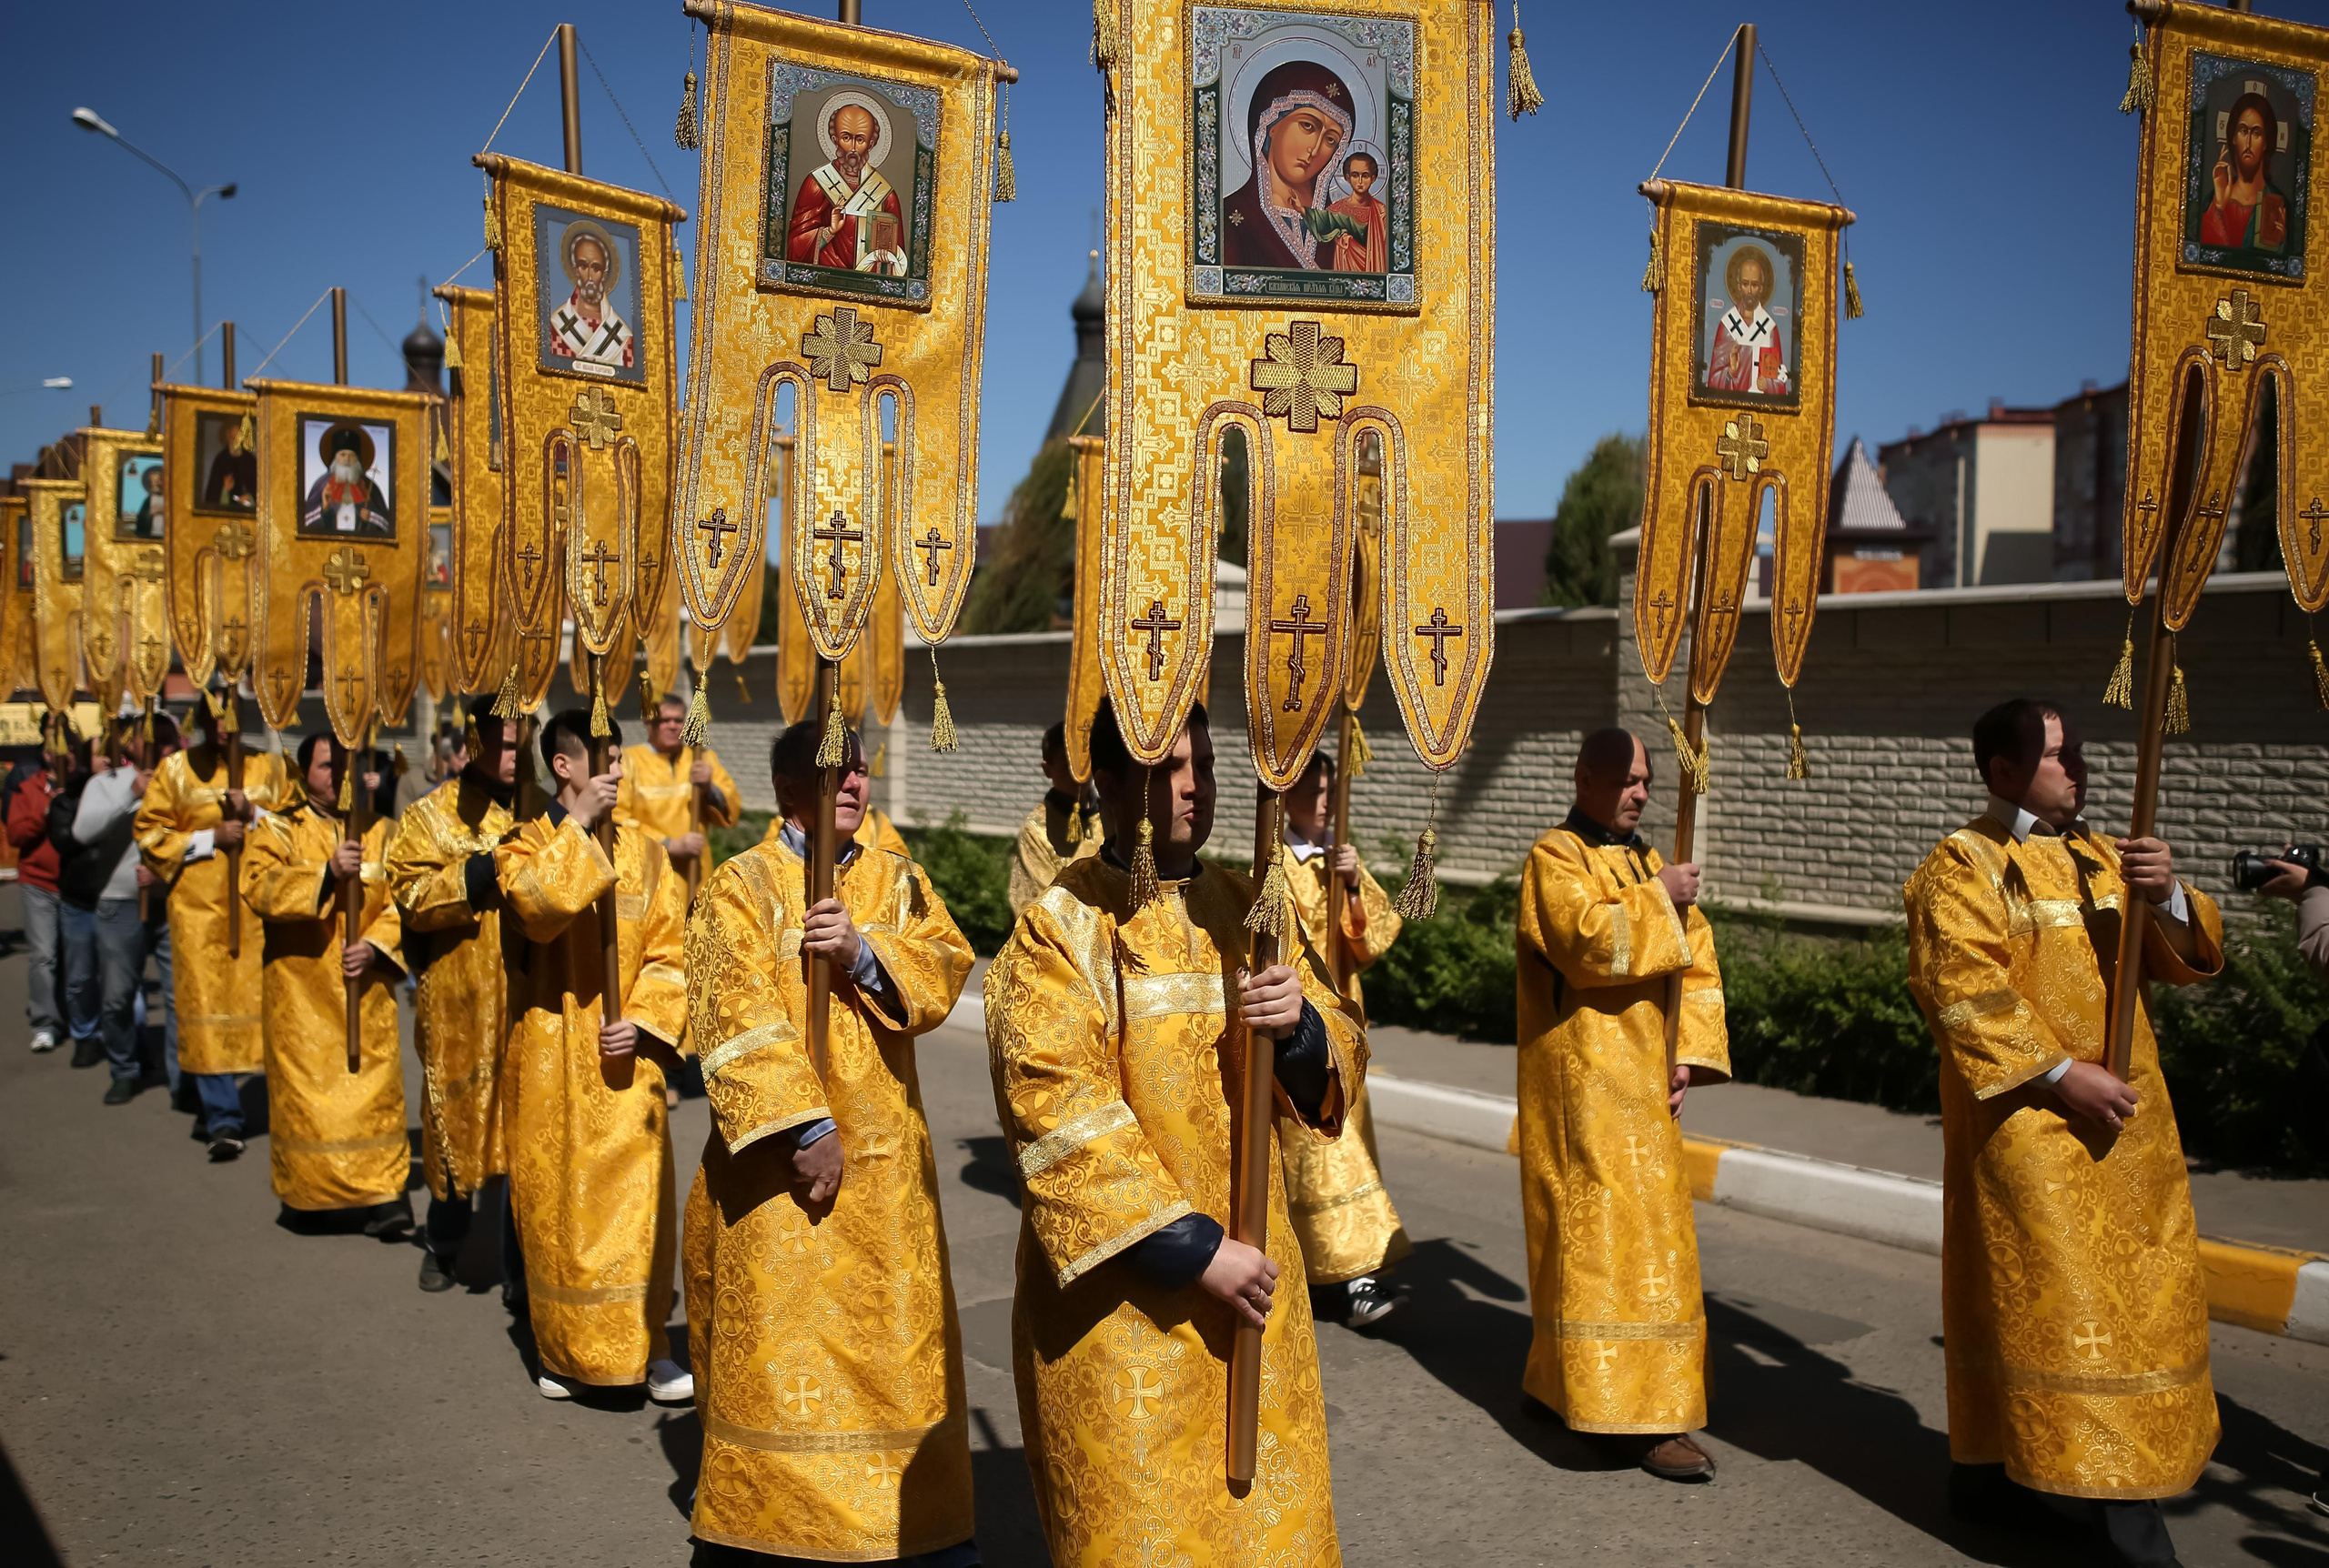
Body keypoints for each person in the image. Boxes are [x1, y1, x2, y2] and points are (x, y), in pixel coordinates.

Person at [984, 699, 1361, 1563]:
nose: (1199, 790)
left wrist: (1301, 1027)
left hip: (1260, 1291)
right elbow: (1056, 1109)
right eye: (1172, 772)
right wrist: (1197, 1251)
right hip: (1127, 1318)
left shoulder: (1249, 907)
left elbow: (1342, 1044)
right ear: (1110, 788)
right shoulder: (1060, 929)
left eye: (1209, 767)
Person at [1905, 699, 2222, 1568]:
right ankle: (2125, 1526)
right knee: (2069, 1319)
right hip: (2034, 1133)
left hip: (2129, 1132)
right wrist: (2060, 1074)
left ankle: (1992, 1480)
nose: (2077, 768)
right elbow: (1961, 988)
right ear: (2003, 772)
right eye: (2056, 755)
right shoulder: (1963, 864)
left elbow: (2182, 960)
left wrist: (2169, 897)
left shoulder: (2105, 856)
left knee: (2129, 1318)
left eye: (2078, 751)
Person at [683, 719, 976, 1565]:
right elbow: (728, 1015)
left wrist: (860, 952)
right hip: (780, 1175)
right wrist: (803, 1123)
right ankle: (768, 1533)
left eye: (861, 769)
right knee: (781, 1356)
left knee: (897, 1354)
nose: (855, 781)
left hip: (886, 1176)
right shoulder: (738, 887)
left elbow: (944, 967)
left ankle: (914, 1530)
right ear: (785, 791)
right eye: (833, 770)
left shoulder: (899, 881)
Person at [1514, 727, 1729, 1482]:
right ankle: (1628, 1415)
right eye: (1627, 779)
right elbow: (1581, 944)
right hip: (1582, 1085)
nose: (1640, 792)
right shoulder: (1555, 856)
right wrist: (1656, 899)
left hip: (1646, 1084)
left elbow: (1695, 963)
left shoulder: (1647, 858)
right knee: (1594, 1245)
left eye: (1645, 780)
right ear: (1585, 777)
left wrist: (1689, 1056)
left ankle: (1597, 1387)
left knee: (1653, 1248)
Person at [496, 709, 691, 1401]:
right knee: (559, 1211)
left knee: (638, 1208)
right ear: (565, 767)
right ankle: (563, 1351)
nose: (618, 773)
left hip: (623, 1056)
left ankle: (651, 1345)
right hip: (551, 1059)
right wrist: (578, 828)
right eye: (604, 760)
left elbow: (674, 951)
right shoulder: (521, 843)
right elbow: (533, 911)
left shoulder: (648, 853)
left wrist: (641, 1021)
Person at [244, 731, 412, 1239]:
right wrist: (324, 874)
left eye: (342, 765)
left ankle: (385, 1196)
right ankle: (309, 1193)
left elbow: (405, 898)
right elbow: (257, 885)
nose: (335, 775)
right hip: (302, 996)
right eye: (323, 766)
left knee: (373, 1095)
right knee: (308, 1101)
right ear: (302, 775)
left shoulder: (383, 831)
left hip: (365, 990)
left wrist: (379, 944)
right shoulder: (278, 829)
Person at [387, 712, 523, 1294]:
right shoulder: (429, 815)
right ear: (476, 744)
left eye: (526, 742)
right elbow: (410, 894)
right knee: (454, 1125)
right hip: (458, 1000)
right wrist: (477, 874)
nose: (519, 754)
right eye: (507, 744)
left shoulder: (541, 809)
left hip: (526, 994)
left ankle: (521, 1273)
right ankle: (444, 1240)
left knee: (527, 1135)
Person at [1276, 747, 1409, 1329]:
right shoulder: (1274, 864)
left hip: (1348, 1027)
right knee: (1323, 1154)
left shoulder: (1340, 860)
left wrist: (1353, 886)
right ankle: (1357, 1278)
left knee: (1346, 1143)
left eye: (1334, 792)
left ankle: (1338, 1269)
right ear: (1288, 797)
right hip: (1302, 1027)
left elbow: (1371, 942)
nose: (1328, 804)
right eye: (1317, 792)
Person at [136, 692, 289, 1161]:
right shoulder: (176, 772)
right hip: (199, 916)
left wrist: (255, 816)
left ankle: (281, 1104)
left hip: (259, 912)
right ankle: (222, 1114)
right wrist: (210, 838)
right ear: (200, 720)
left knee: (270, 1008)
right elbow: (150, 833)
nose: (223, 726)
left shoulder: (271, 769)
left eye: (231, 717)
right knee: (204, 1008)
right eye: (213, 717)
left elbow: (299, 828)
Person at [72, 717, 170, 1104]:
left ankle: (183, 1079)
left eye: (166, 742)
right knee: (117, 996)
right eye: (154, 741)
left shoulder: (179, 780)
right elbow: (84, 831)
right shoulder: (105, 783)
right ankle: (125, 1068)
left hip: (170, 901)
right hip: (118, 903)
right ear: (130, 745)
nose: (162, 749)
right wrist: (132, 790)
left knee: (182, 996)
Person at [1221, 59, 1353, 270]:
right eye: (1307, 126)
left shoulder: (1340, 230)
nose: (1315, 149)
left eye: (1330, 139)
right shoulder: (1229, 218)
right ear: (1271, 125)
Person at [615, 695, 740, 891]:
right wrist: (668, 844)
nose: (673, 726)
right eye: (665, 720)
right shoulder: (627, 762)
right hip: (649, 874)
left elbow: (731, 812)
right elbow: (618, 819)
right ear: (648, 723)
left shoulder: (702, 759)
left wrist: (709, 788)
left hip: (695, 872)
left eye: (678, 720)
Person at [787, 96, 907, 273]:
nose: (852, 148)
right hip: (823, 280)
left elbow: (899, 262)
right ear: (835, 139)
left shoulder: (886, 196)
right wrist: (829, 231)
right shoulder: (817, 184)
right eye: (846, 138)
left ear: (871, 144)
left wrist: (887, 257)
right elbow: (793, 248)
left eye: (859, 140)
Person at [47, 737, 108, 1072]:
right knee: (81, 976)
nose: (105, 759)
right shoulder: (68, 798)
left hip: (117, 899)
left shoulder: (133, 792)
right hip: (79, 899)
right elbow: (65, 838)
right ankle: (85, 1035)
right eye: (98, 753)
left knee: (122, 980)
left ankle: (129, 1040)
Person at [1003, 720, 1100, 920]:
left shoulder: (1114, 816)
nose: (1079, 776)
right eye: (1068, 766)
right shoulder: (1037, 830)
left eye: (1084, 764)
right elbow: (1035, 908)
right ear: (1048, 770)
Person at [11, 719, 68, 1055]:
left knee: (76, 959)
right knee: (44, 956)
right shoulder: (27, 787)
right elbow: (17, 835)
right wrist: (47, 810)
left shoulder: (85, 785)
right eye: (51, 746)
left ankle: (78, 1017)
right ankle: (45, 1023)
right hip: (38, 884)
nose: (57, 753)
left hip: (76, 885)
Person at [2200, 91, 2288, 254]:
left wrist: (2282, 248)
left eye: (2256, 133)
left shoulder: (2279, 207)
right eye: (2242, 131)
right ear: (2233, 137)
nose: (2248, 143)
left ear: (2265, 142)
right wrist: (2218, 208)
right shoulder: (2213, 201)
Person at [548, 222, 635, 374]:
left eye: (596, 268)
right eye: (583, 266)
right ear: (575, 270)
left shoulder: (623, 337)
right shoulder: (556, 327)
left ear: (605, 274)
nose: (589, 276)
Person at [1705, 244, 1788, 397]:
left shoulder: (1769, 328)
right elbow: (1713, 381)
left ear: (1762, 288)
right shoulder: (1727, 325)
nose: (1749, 290)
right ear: (1738, 286)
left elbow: (1779, 382)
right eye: (1745, 284)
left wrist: (1768, 385)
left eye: (1755, 285)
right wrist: (1730, 371)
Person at [299, 426, 392, 537]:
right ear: (335, 458)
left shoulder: (370, 487)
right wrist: (325, 509)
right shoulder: (322, 484)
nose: (347, 459)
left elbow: (388, 526)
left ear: (357, 460)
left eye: (352, 455)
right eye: (342, 454)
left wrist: (371, 517)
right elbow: (304, 523)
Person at [1325, 148, 1388, 274]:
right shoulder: (1335, 211)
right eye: (1355, 175)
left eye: (1365, 175)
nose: (1360, 181)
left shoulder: (1382, 213)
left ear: (1373, 178)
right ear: (1347, 177)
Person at [204, 417, 257, 510]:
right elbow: (212, 496)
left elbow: (259, 492)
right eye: (233, 439)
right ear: (228, 437)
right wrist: (224, 490)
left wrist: (249, 498)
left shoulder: (250, 461)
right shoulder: (220, 460)